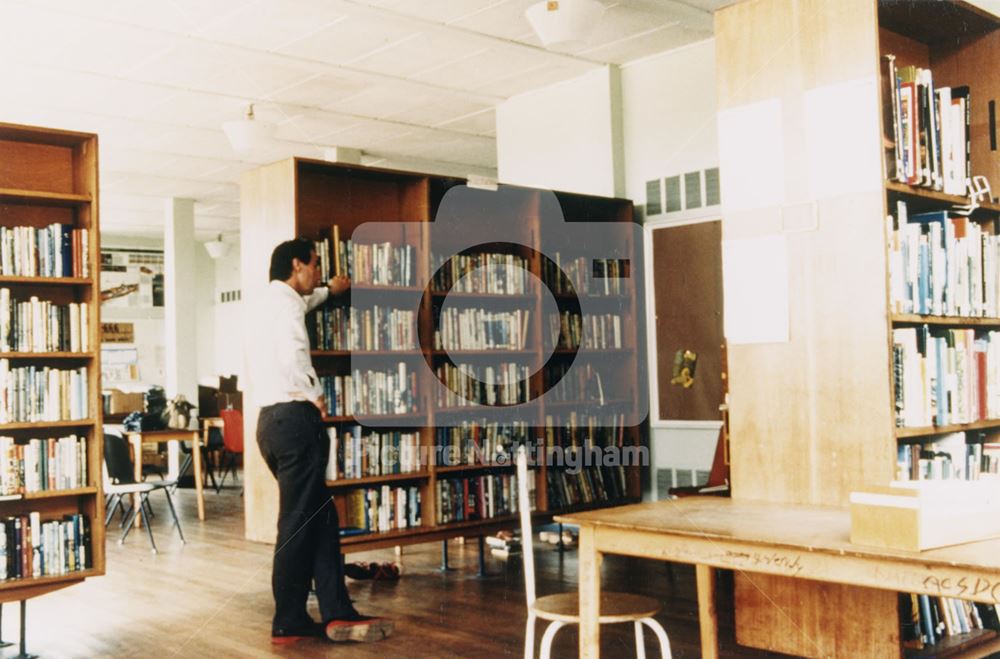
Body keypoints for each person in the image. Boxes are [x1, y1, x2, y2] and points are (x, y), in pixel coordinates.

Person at [253, 237, 393, 644]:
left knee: (320, 517)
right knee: (298, 522)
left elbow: (305, 302)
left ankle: (336, 612)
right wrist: (314, 393)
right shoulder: (286, 308)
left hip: (269, 422)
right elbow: (294, 350)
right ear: (297, 264)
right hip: (296, 417)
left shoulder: (270, 302)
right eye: (314, 265)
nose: (317, 271)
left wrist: (329, 292)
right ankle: (288, 620)